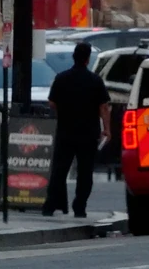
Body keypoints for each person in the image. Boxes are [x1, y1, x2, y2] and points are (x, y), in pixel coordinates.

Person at [42, 42, 111, 217]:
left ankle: (50, 204)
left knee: (60, 170)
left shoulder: (61, 78)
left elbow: (52, 102)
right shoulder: (95, 81)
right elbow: (103, 107)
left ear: (74, 56)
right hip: (88, 133)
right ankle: (79, 206)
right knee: (85, 172)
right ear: (87, 59)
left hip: (66, 131)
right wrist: (107, 129)